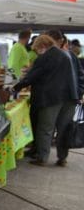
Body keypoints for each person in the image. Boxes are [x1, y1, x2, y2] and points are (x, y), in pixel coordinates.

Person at [13, 34, 84, 167]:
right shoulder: (67, 55)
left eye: (37, 49)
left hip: (51, 97)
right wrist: (79, 93)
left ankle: (42, 157)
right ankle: (62, 158)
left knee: (46, 128)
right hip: (70, 97)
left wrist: (16, 87)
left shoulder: (46, 57)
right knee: (64, 129)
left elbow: (32, 76)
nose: (37, 52)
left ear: (43, 46)